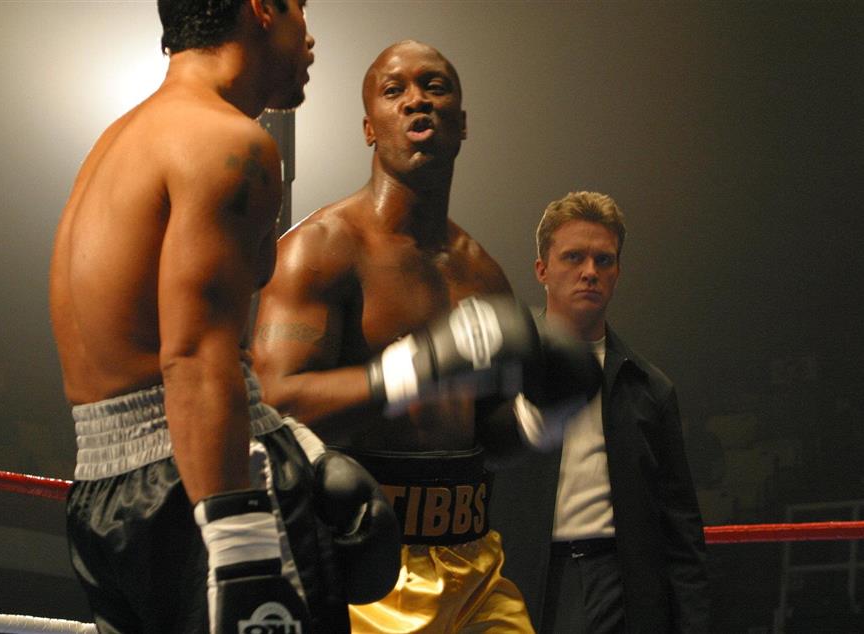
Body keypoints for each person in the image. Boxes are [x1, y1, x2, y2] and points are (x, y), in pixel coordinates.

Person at [49, 2, 400, 632]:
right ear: (262, 8)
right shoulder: (229, 143)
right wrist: (241, 555)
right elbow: (192, 358)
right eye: (300, 7)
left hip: (106, 495)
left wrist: (303, 447)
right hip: (203, 483)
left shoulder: (118, 141)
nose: (310, 37)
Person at [251, 40, 601, 633]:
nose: (418, 101)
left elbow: (487, 437)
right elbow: (274, 405)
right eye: (395, 91)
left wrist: (542, 416)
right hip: (364, 569)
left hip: (475, 564)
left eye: (435, 87)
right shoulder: (321, 249)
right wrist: (419, 367)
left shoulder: (482, 272)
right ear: (369, 127)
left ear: (462, 124)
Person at [491, 191, 710, 632]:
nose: (590, 271)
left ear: (617, 273)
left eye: (603, 260)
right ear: (542, 270)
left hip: (618, 584)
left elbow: (681, 530)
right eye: (574, 257)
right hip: (516, 581)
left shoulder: (649, 389)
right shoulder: (501, 373)